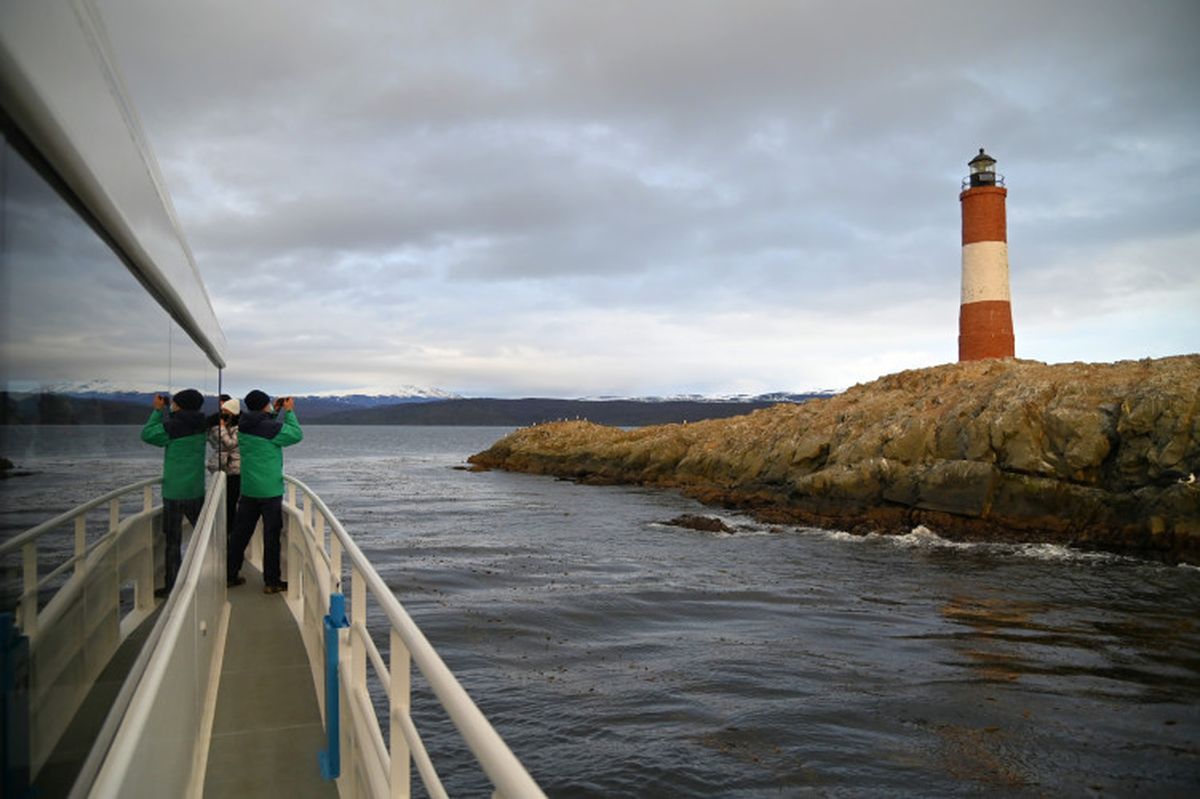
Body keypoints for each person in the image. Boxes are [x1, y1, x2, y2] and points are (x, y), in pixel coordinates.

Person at [226, 390, 303, 593]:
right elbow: (296, 434)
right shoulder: (270, 428)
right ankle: (271, 582)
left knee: (240, 535)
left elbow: (262, 425)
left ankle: (230, 575)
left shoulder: (243, 426)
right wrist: (289, 412)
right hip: (269, 491)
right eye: (268, 404)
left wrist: (274, 412)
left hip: (249, 489)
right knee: (271, 538)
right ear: (263, 406)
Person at [140, 388, 208, 597]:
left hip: (174, 492)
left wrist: (158, 411)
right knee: (204, 537)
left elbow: (148, 434)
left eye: (175, 403)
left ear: (179, 405)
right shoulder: (203, 426)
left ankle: (172, 586)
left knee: (173, 541)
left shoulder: (170, 428)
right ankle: (209, 579)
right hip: (196, 489)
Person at [207, 396, 241, 543]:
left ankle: (229, 534)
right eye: (222, 411)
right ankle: (220, 533)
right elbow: (214, 443)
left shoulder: (239, 429)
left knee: (230, 503)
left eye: (226, 411)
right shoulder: (218, 426)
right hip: (220, 470)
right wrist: (218, 427)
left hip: (234, 471)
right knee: (218, 502)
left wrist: (221, 428)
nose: (223, 414)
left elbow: (230, 444)